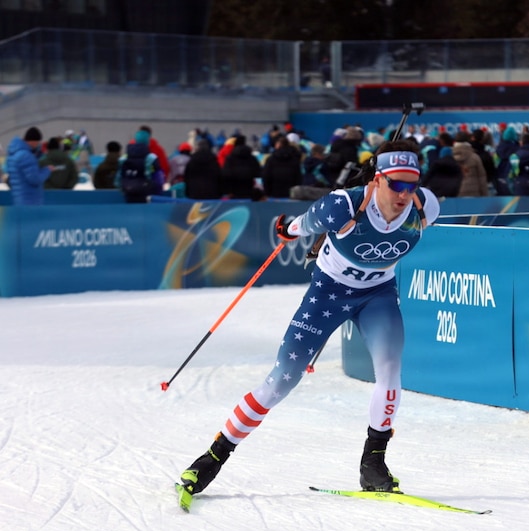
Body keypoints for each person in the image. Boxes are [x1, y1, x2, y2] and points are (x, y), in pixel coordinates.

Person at [176, 141, 442, 505]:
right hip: (327, 294)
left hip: (377, 295)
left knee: (391, 372)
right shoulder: (344, 206)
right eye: (396, 184)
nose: (404, 194)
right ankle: (212, 458)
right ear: (377, 179)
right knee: (279, 382)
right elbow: (299, 225)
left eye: (411, 185)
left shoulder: (425, 206)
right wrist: (287, 229)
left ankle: (373, 465)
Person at [4, 126, 54, 205]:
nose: (38, 145)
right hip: (30, 200)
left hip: (18, 198)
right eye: (37, 142)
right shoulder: (26, 156)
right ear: (33, 141)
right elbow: (35, 179)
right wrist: (47, 170)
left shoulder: (13, 154)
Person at [117, 128, 165, 203]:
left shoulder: (123, 158)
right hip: (147, 195)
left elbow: (118, 179)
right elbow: (159, 179)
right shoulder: (151, 158)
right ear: (148, 141)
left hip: (128, 194)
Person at [220, 134, 263, 200]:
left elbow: (225, 174)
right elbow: (258, 173)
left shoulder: (230, 159)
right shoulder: (252, 158)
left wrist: (227, 190)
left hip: (234, 191)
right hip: (249, 189)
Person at [261, 134, 303, 198]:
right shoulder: (295, 159)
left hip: (274, 193)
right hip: (291, 193)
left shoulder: (271, 159)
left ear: (279, 145)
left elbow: (266, 176)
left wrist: (267, 192)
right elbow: (298, 178)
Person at [452, 131, 488, 197]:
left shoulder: (450, 157)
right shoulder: (475, 157)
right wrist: (484, 194)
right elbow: (482, 177)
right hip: (473, 192)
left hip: (455, 193)